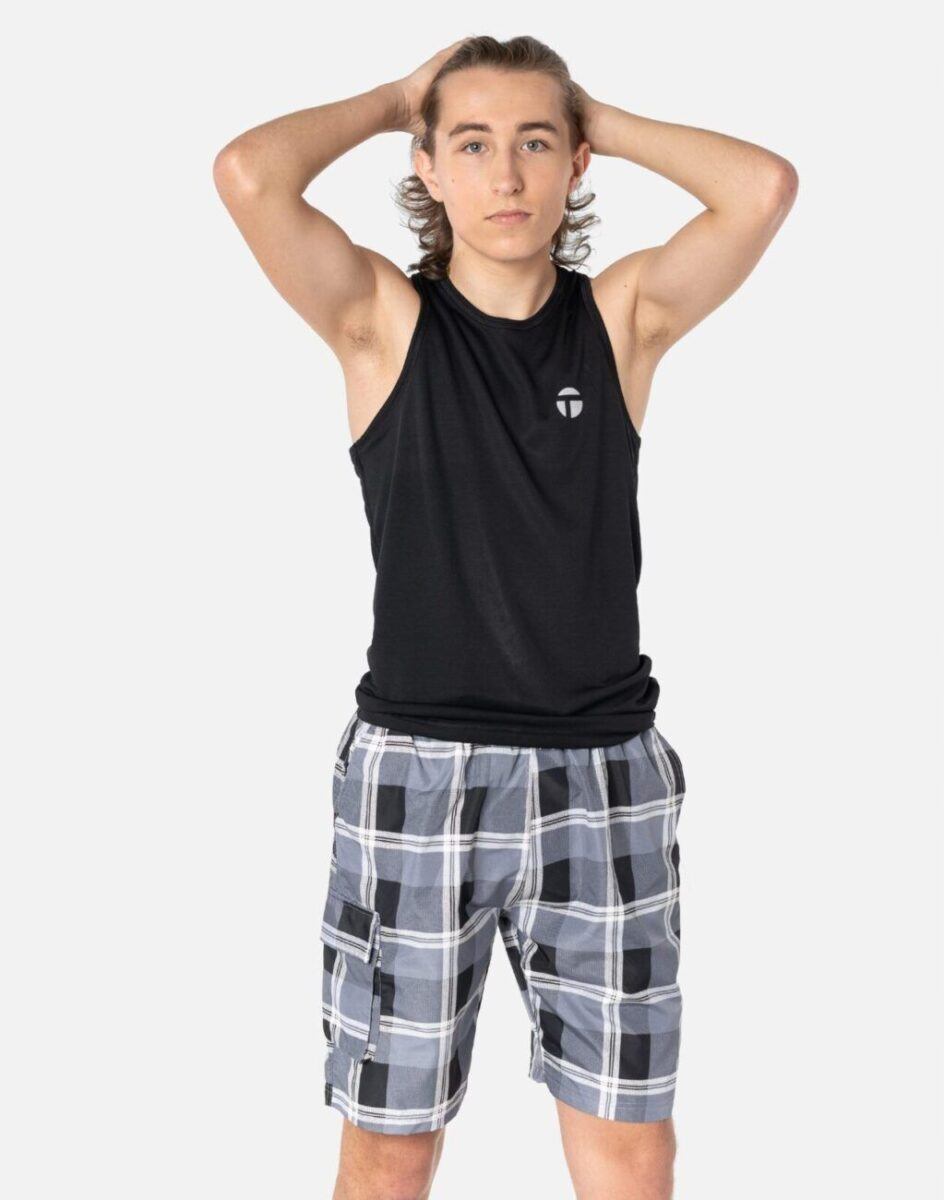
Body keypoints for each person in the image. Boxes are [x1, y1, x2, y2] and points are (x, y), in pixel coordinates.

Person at [213, 34, 797, 1200]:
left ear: (574, 164)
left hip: (604, 775)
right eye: (472, 145)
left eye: (535, 145)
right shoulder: (382, 323)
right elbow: (247, 174)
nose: (507, 175)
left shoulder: (619, 319)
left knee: (630, 1143)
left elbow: (761, 188)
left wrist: (593, 116)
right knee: (390, 1143)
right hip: (419, 776)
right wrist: (396, 97)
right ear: (427, 167)